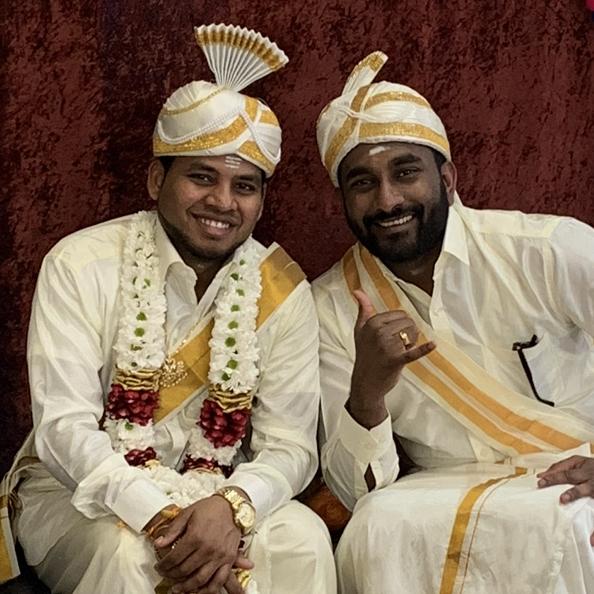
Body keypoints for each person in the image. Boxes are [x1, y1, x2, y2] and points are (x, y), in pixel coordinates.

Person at [0, 23, 336, 594]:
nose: (222, 202)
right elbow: (63, 428)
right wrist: (158, 516)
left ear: (261, 201)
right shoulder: (81, 263)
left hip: (221, 492)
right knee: (126, 553)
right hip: (80, 494)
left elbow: (291, 446)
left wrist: (232, 506)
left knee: (302, 541)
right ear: (157, 179)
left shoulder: (282, 289)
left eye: (245, 186)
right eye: (202, 177)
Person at [313, 50, 594, 594]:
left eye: (405, 172)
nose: (388, 200)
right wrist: (368, 389)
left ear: (448, 177)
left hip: (577, 467)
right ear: (343, 200)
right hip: (436, 491)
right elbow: (355, 493)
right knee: (374, 529)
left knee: (574, 521)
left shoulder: (546, 249)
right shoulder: (330, 305)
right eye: (363, 183)